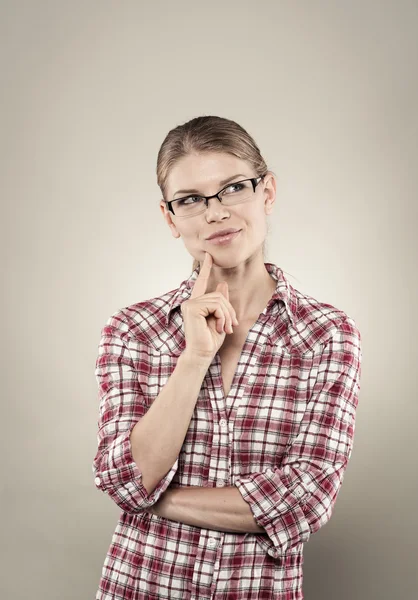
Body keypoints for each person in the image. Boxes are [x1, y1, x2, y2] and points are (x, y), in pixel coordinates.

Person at [92, 115, 363, 599]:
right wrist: (195, 357)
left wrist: (152, 498)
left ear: (268, 193)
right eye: (191, 199)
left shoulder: (327, 335)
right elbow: (129, 477)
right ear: (170, 218)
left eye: (234, 187)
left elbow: (307, 500)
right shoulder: (132, 332)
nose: (215, 213)